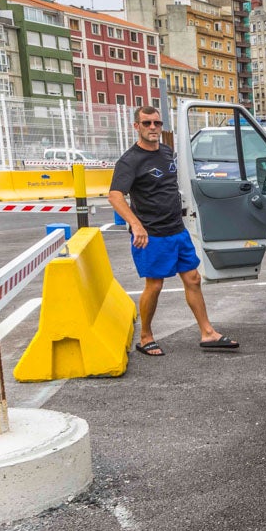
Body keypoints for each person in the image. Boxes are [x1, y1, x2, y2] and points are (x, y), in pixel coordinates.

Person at [106, 106, 238, 356]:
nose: (153, 127)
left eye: (157, 122)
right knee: (154, 285)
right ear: (137, 127)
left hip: (177, 230)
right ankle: (145, 337)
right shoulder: (129, 160)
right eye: (147, 123)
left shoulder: (166, 152)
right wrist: (136, 224)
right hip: (151, 235)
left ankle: (208, 333)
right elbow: (115, 196)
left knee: (193, 279)